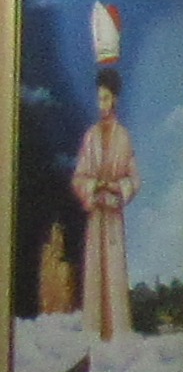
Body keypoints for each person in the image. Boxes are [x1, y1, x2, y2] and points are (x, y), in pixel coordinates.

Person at [71, 65, 135, 340]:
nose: (101, 104)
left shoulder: (124, 137)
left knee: (114, 270)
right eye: (98, 99)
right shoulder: (91, 137)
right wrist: (94, 185)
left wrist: (116, 187)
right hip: (96, 213)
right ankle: (94, 333)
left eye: (106, 98)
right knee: (96, 270)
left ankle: (117, 334)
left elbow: (133, 179)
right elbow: (79, 177)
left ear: (115, 99)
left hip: (113, 216)